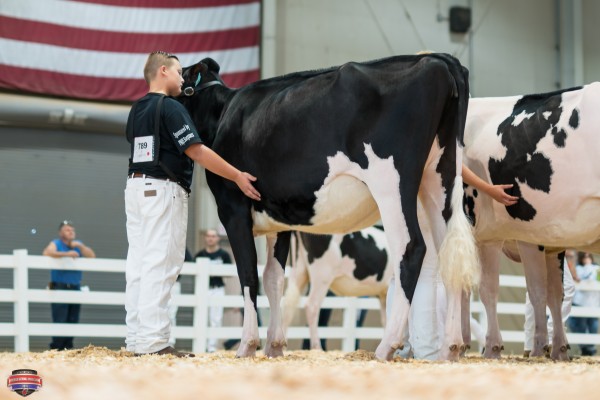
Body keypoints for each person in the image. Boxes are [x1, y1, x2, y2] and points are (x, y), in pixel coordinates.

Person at [124, 51, 261, 358]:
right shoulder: (171, 108)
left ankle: (136, 338)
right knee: (162, 264)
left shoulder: (137, 109)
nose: (183, 79)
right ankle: (154, 343)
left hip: (135, 187)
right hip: (163, 189)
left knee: (139, 265)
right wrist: (237, 174)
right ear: (163, 71)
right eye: (178, 73)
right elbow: (197, 151)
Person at [43, 220, 96, 350]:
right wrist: (67, 254)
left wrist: (81, 247)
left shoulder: (78, 246)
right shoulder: (56, 243)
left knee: (73, 319)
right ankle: (57, 348)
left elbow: (92, 256)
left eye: (72, 230)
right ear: (60, 233)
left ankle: (68, 347)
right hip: (60, 286)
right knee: (60, 319)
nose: (71, 232)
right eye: (67, 230)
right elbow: (47, 253)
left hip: (75, 287)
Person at [523, 249, 576, 357]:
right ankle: (553, 338)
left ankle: (530, 345)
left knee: (534, 289)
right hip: (551, 245)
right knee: (567, 287)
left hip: (533, 245)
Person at [194, 229, 233, 352]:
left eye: (213, 236)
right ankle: (200, 347)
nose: (211, 238)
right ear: (205, 238)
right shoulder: (199, 255)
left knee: (215, 319)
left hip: (217, 289)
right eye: (208, 236)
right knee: (200, 317)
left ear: (218, 238)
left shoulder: (224, 255)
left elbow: (230, 273)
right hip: (202, 290)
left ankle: (211, 348)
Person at [568, 252, 600, 356]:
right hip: (580, 302)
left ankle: (589, 348)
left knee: (593, 326)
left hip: (593, 303)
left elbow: (595, 280)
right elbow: (580, 280)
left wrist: (589, 266)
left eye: (588, 256)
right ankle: (586, 347)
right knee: (578, 326)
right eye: (585, 256)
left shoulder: (597, 268)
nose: (587, 258)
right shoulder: (577, 268)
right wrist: (587, 266)